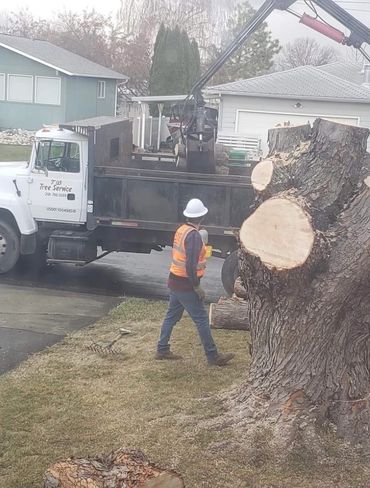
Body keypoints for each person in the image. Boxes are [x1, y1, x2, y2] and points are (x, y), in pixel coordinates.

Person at [156, 198, 235, 366]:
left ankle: (162, 349)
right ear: (202, 217)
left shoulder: (181, 230)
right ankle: (213, 356)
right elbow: (190, 264)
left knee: (171, 316)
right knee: (201, 319)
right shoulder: (194, 237)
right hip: (185, 284)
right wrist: (196, 286)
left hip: (175, 281)